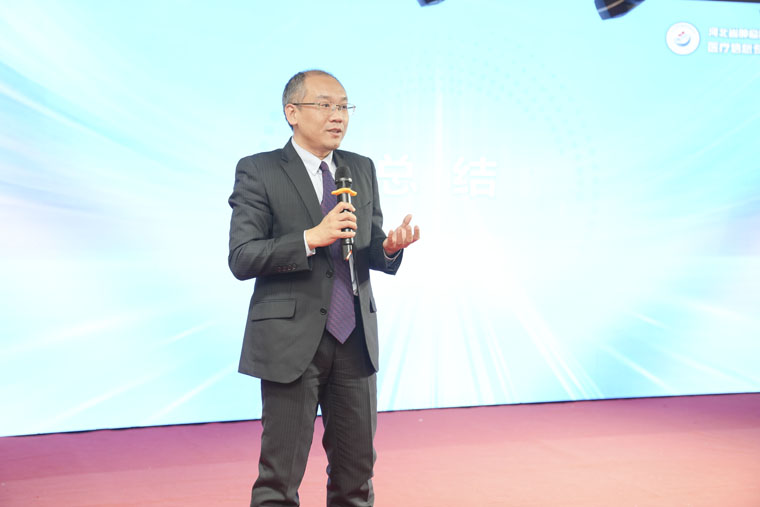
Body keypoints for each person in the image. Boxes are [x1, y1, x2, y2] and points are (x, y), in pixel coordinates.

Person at [228, 69, 420, 507]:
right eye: (325, 105)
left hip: (354, 341)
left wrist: (388, 248)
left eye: (344, 106)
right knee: (279, 480)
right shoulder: (259, 170)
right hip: (291, 342)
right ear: (291, 113)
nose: (338, 116)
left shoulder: (359, 168)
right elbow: (242, 256)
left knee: (356, 478)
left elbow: (367, 247)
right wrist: (310, 238)